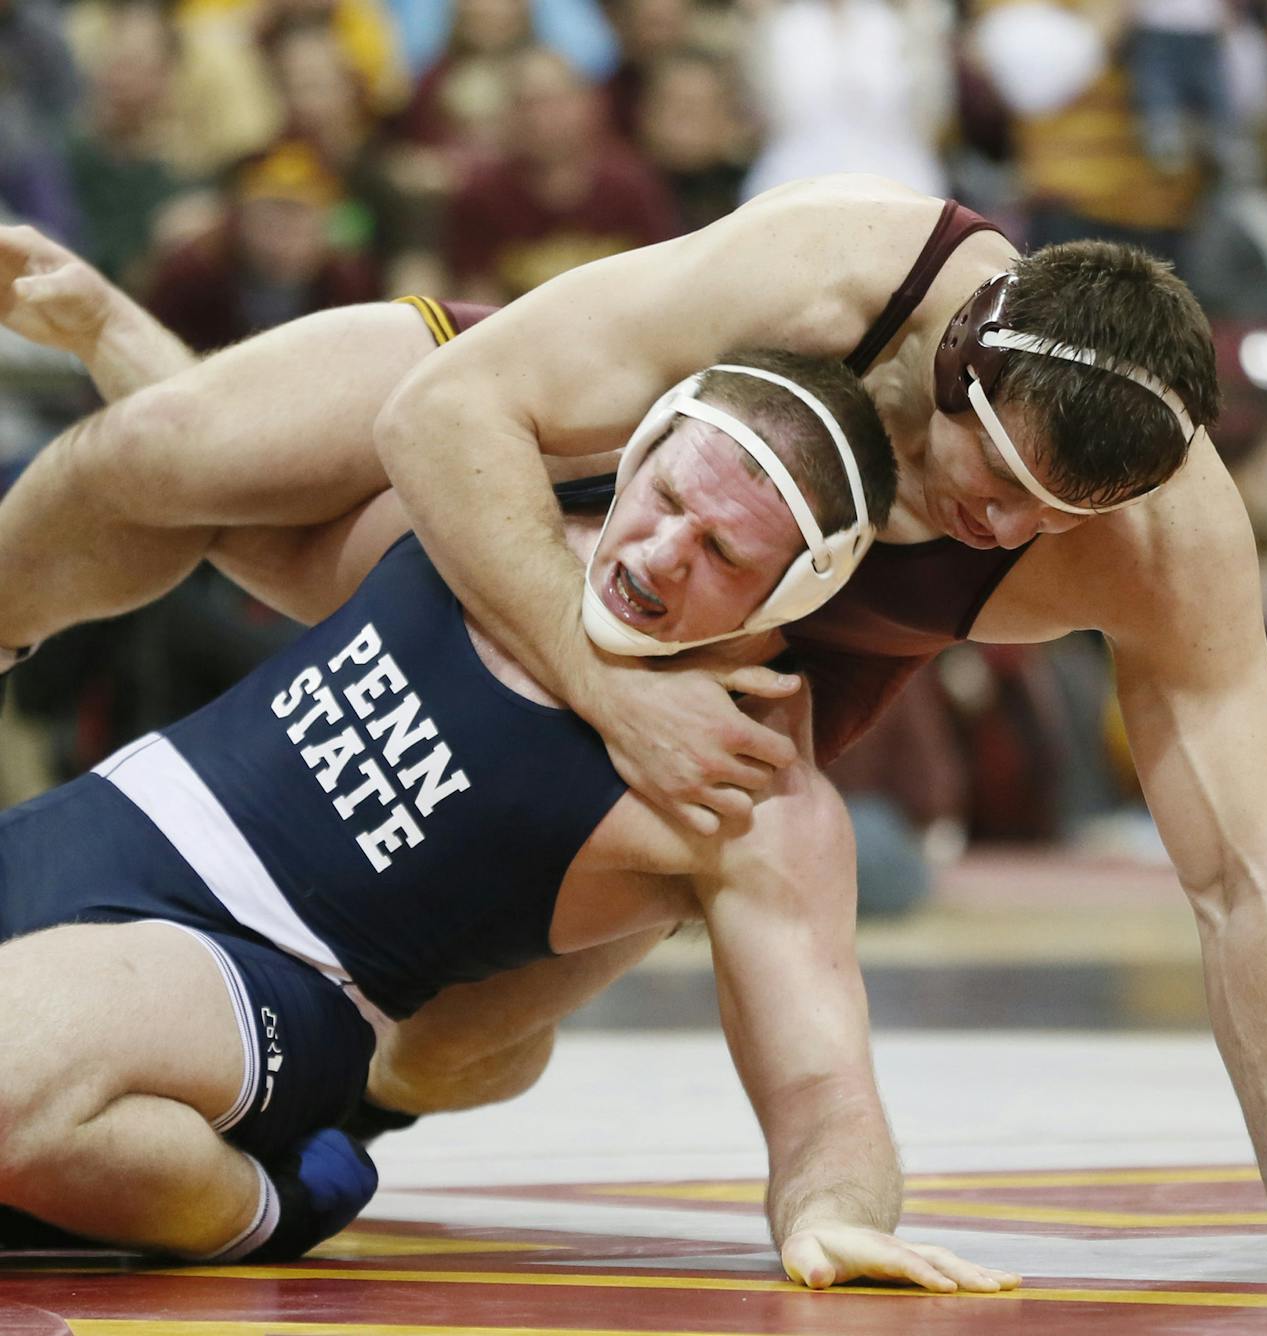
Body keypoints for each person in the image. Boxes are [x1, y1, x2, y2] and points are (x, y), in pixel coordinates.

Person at [2, 169, 1267, 1276]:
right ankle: (106, 407)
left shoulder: (1166, 538)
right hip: (584, 437)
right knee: (173, 458)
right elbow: (447, 418)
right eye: (988, 476)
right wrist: (610, 684)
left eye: (1050, 521)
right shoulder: (843, 264)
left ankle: (267, 1124)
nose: (999, 527)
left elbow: (1249, 872)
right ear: (955, 359)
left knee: (444, 1051)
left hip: (750, 664)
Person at [0, 318, 1021, 1296]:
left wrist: (834, 1213)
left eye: (722, 554)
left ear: (800, 588)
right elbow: (222, 470)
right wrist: (103, 325)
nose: (661, 554)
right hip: (89, 823)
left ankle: (266, 1200)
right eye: (664, 497)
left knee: (12, 1087)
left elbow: (820, 1089)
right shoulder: (480, 520)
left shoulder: (748, 794)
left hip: (249, 967)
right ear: (641, 450)